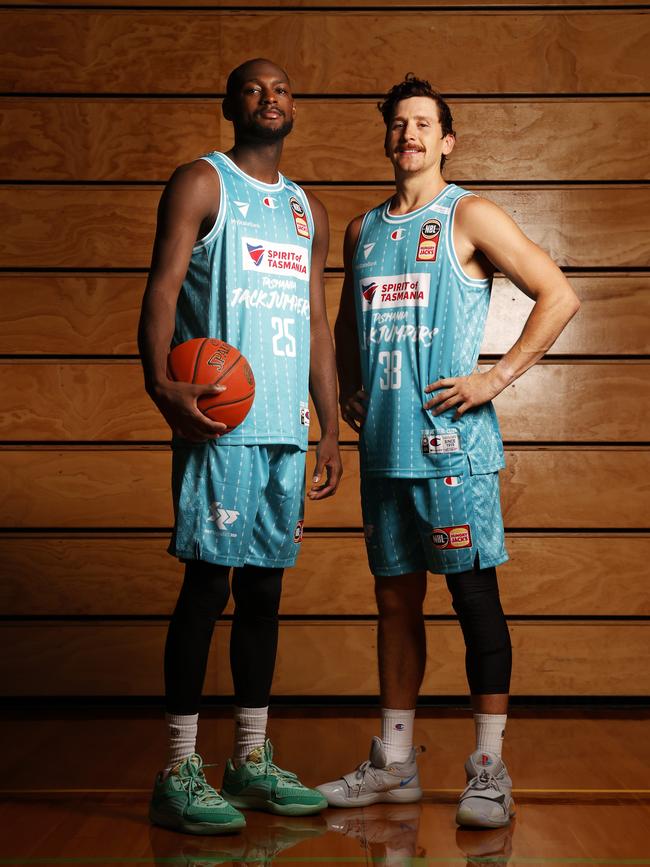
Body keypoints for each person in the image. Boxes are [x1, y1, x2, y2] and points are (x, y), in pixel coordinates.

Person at [317, 74, 579, 828]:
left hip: (452, 451)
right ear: (388, 137)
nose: (409, 135)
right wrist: (346, 398)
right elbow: (343, 329)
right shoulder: (362, 230)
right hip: (383, 452)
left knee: (474, 601)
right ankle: (396, 763)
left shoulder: (469, 214)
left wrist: (497, 376)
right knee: (394, 603)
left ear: (446, 139)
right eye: (399, 123)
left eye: (423, 124)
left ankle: (489, 770)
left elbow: (557, 293)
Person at [138, 58, 342, 835]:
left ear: (294, 108)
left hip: (285, 431)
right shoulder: (201, 182)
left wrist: (328, 427)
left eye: (283, 88)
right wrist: (161, 384)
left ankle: (249, 758)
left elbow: (319, 323)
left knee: (265, 593)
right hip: (219, 423)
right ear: (231, 104)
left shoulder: (306, 210)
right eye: (255, 88)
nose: (270, 98)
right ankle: (178, 767)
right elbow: (160, 287)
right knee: (207, 585)